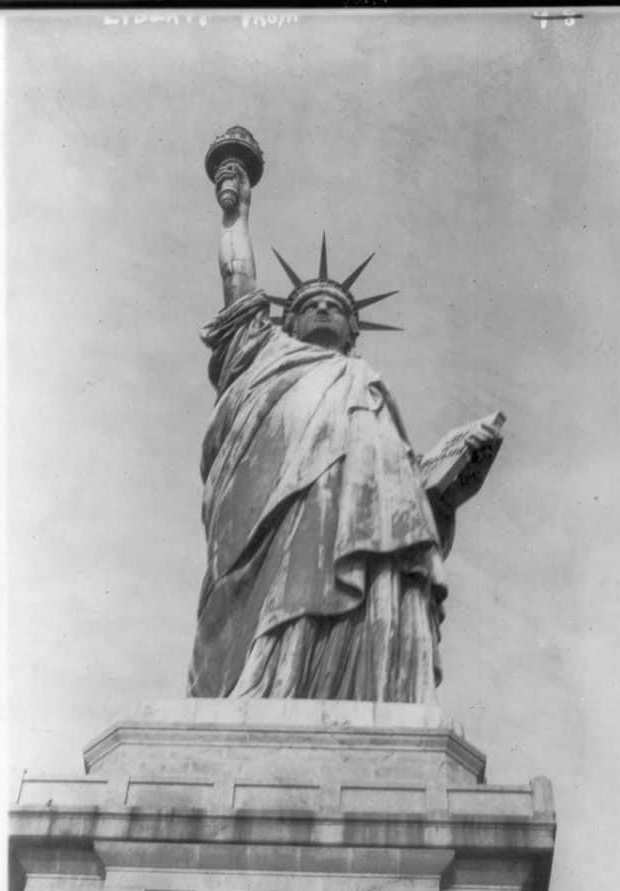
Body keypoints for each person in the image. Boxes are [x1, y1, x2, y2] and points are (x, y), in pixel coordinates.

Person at [186, 158, 482, 702]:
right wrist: (237, 214)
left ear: (352, 330)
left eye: (335, 307)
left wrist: (447, 488)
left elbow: (402, 508)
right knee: (279, 598)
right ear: (289, 323)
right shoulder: (263, 354)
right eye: (309, 305)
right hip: (273, 523)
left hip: (357, 536)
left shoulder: (367, 386)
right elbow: (237, 280)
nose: (323, 308)